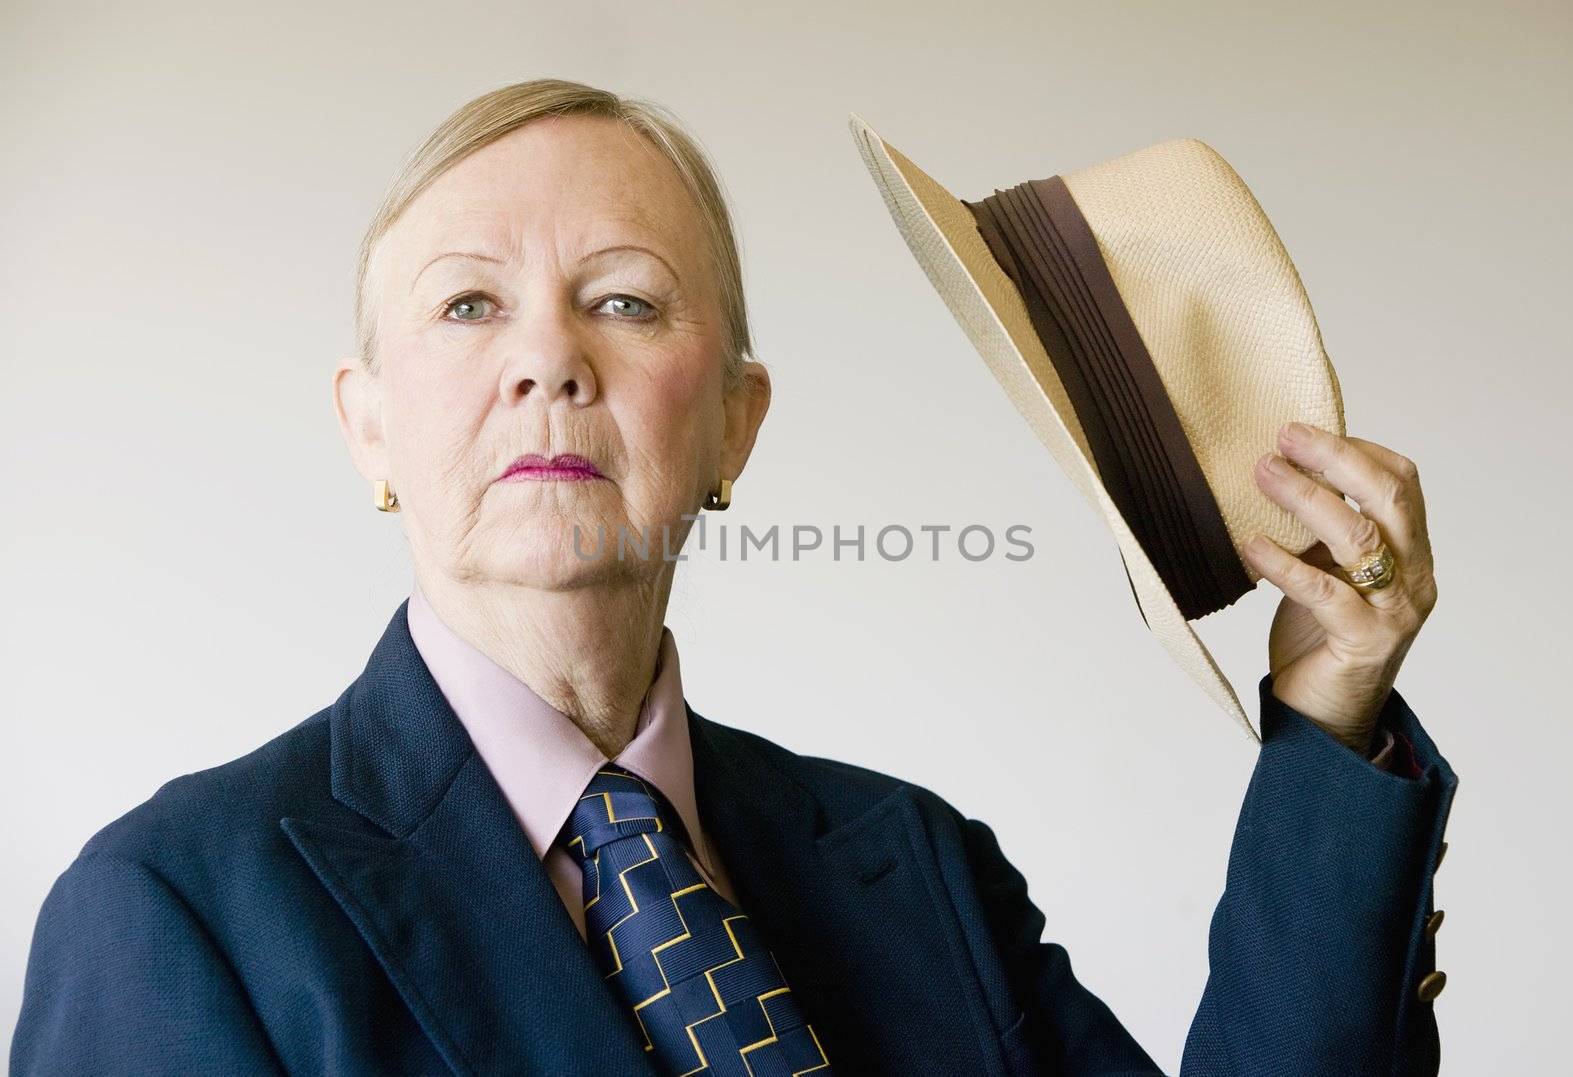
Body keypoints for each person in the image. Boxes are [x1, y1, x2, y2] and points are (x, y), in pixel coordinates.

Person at [10, 78, 1456, 1076]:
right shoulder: (174, 911)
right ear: (368, 424)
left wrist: (1328, 710)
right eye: (468, 304)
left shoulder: (921, 868)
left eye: (626, 300)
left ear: (735, 423)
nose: (548, 358)